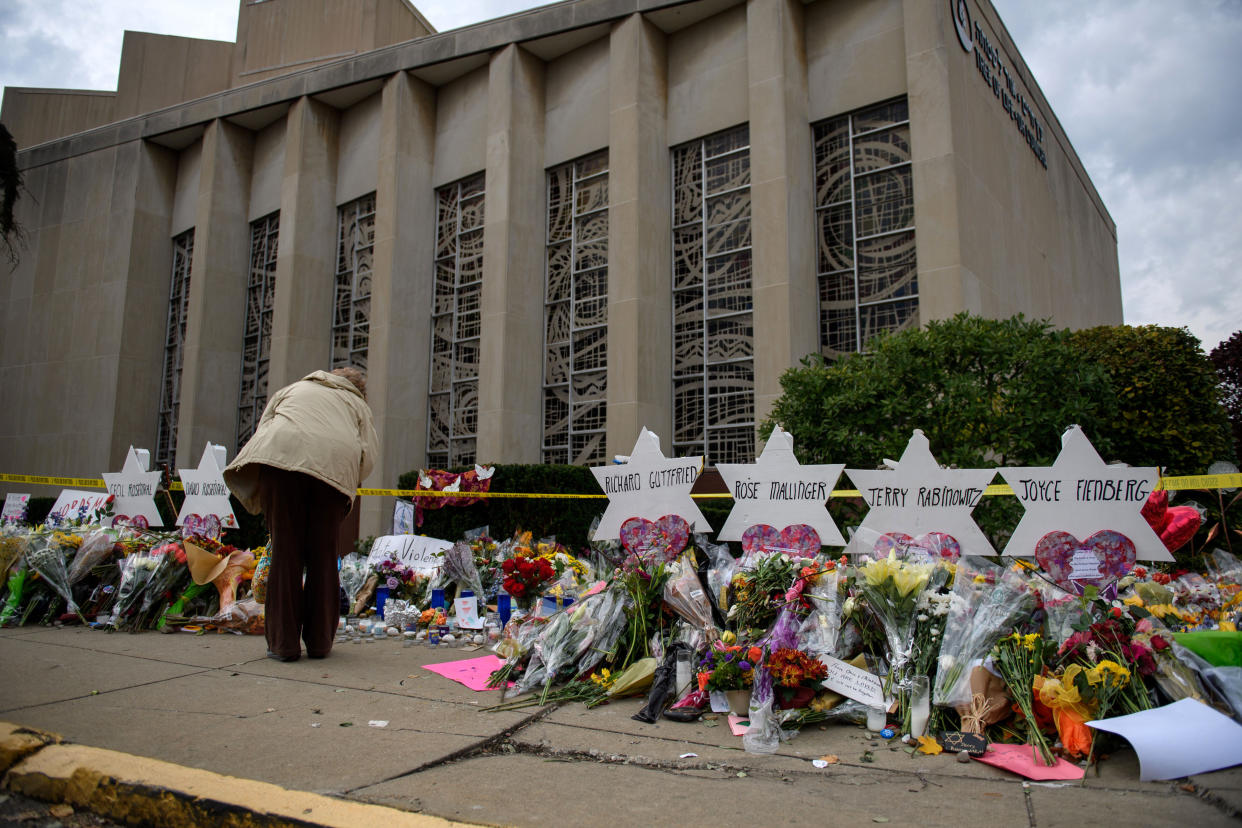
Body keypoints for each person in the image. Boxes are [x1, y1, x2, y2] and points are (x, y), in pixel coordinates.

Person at [224, 366, 378, 661]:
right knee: (323, 556)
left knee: (285, 553)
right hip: (330, 474)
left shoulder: (293, 389)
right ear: (360, 390)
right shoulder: (356, 404)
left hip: (280, 466)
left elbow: (266, 427)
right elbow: (368, 455)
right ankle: (320, 643)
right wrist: (348, 481)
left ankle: (283, 645)